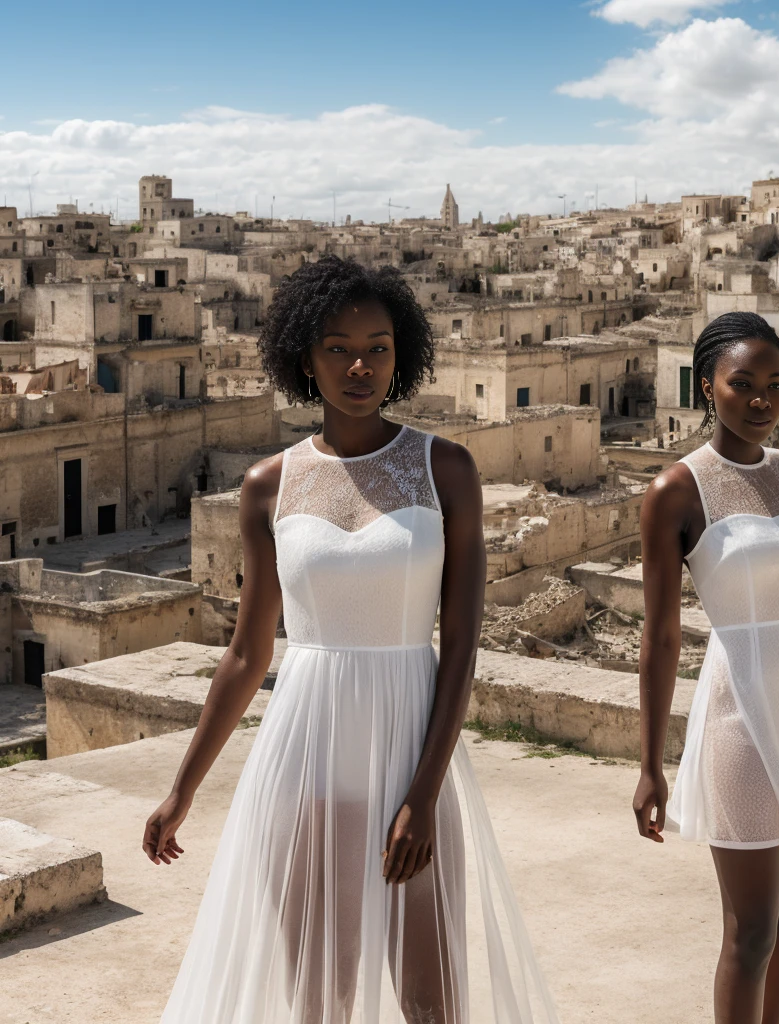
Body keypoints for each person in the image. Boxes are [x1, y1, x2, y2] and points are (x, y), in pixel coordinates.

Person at [144, 255, 559, 1024]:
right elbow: (247, 651)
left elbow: (461, 644)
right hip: (303, 762)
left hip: (412, 756)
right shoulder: (268, 484)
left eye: (378, 347)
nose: (359, 365)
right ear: (304, 357)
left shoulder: (447, 468)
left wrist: (424, 795)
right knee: (320, 996)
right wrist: (183, 787)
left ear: (402, 357)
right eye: (337, 347)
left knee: (432, 999)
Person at [633, 312, 779, 1024]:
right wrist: (649, 765)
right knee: (751, 927)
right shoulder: (677, 489)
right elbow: (661, 637)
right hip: (739, 712)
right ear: (707, 388)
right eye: (743, 384)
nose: (762, 399)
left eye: (775, 385)